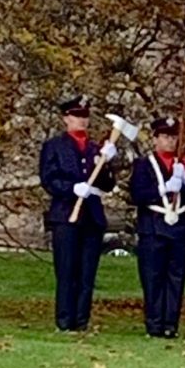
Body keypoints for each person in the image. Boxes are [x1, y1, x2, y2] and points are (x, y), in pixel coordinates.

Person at [39, 95, 117, 333]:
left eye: (84, 116)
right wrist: (70, 188)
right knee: (67, 270)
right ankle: (64, 320)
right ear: (66, 119)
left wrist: (106, 162)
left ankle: (82, 320)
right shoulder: (54, 146)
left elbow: (106, 185)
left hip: (91, 215)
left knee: (86, 272)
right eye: (76, 116)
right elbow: (48, 178)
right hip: (66, 214)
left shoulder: (95, 149)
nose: (81, 121)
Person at [128, 113, 185, 339]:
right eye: (165, 136)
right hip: (153, 226)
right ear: (155, 139)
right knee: (153, 277)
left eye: (173, 137)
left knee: (175, 278)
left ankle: (170, 324)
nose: (170, 141)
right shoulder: (143, 165)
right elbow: (137, 194)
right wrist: (162, 189)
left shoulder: (182, 165)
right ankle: (154, 323)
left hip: (178, 227)